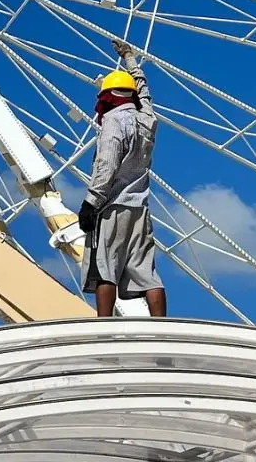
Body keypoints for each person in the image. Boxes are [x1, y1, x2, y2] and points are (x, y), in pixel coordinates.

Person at [76, 40, 166, 317]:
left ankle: (103, 324)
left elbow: (107, 162)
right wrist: (130, 58)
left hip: (111, 205)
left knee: (105, 267)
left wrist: (91, 201)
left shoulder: (114, 121)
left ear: (106, 97)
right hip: (140, 207)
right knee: (146, 270)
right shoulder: (147, 118)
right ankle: (161, 326)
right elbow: (145, 92)